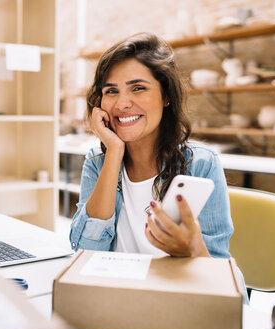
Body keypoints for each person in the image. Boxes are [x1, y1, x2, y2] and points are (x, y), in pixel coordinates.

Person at [69, 32, 236, 265]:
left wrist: (192, 247)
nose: (122, 103)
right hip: (116, 293)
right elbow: (86, 253)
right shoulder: (98, 162)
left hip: (172, 295)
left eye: (137, 88)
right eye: (111, 91)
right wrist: (115, 152)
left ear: (166, 95)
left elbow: (219, 273)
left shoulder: (201, 163)